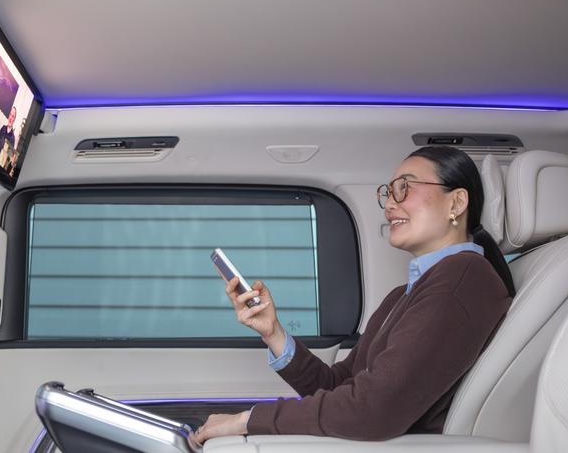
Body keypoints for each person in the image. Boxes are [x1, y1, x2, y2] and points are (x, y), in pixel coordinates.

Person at [191, 146, 515, 446]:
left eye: (404, 187)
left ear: (456, 203)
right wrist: (273, 332)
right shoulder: (404, 294)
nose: (389, 205)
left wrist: (247, 420)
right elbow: (338, 385)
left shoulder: (462, 278)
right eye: (388, 193)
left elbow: (373, 409)